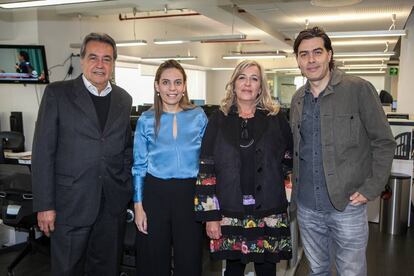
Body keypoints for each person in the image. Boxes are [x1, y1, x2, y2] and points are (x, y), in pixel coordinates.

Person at [290, 26, 396, 276]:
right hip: (307, 206)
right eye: (303, 54)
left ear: (329, 54)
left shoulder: (358, 89)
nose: (311, 59)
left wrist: (372, 188)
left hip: (346, 205)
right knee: (318, 271)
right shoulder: (297, 99)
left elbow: (384, 142)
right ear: (297, 60)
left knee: (351, 272)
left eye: (317, 52)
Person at [32, 32, 133, 276]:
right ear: (82, 59)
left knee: (106, 269)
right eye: (94, 57)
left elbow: (126, 148)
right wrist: (45, 205)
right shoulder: (57, 94)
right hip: (70, 205)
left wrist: (125, 185)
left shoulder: (123, 98)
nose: (100, 64)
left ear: (113, 63)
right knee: (68, 269)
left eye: (107, 59)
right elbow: (43, 152)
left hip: (111, 205)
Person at [195, 60, 293, 276]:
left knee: (267, 268)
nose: (248, 83)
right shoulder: (218, 120)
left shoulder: (276, 119)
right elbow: (206, 168)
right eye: (242, 77)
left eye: (254, 78)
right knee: (232, 268)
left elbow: (289, 158)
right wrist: (211, 215)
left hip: (269, 212)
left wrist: (286, 190)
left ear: (261, 86)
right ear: (234, 83)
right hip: (229, 211)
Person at [132, 59, 207, 276]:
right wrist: (138, 207)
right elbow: (138, 166)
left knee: (189, 258)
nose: (172, 88)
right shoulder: (145, 120)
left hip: (189, 194)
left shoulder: (198, 116)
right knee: (154, 260)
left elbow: (207, 164)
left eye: (177, 82)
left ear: (184, 86)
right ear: (157, 86)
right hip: (155, 194)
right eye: (166, 82)